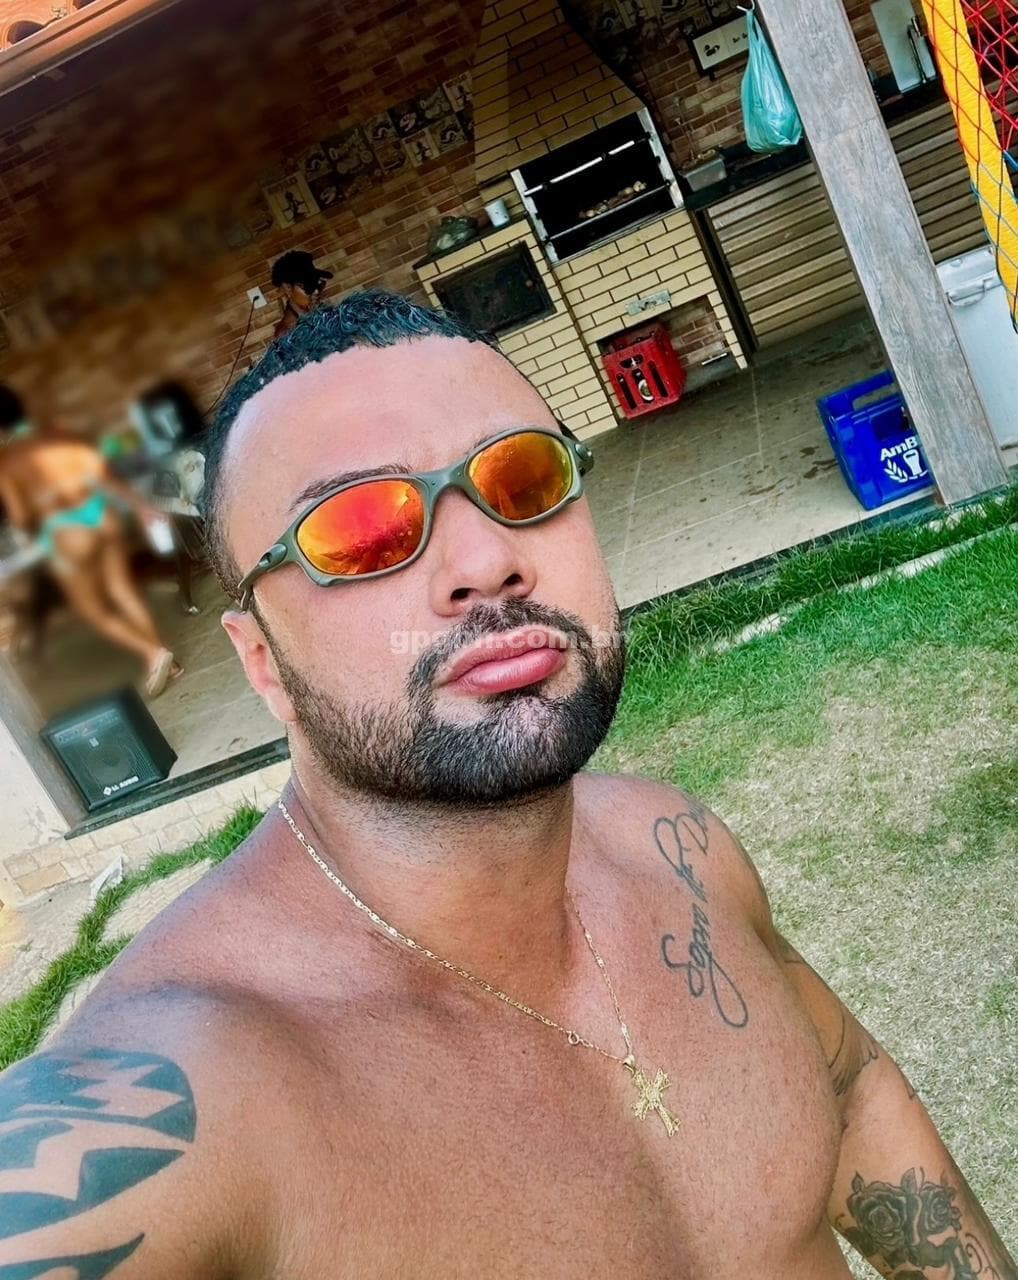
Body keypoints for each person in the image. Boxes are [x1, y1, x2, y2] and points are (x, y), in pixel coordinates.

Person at [0, 292, 1012, 1279]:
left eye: (523, 480)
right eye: (361, 527)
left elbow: (850, 1088)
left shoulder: (680, 849)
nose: (486, 561)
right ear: (262, 662)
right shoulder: (184, 1106)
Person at [0, 385, 181, 696]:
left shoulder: (6, 462)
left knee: (91, 610)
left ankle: (153, 653)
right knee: (124, 591)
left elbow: (20, 516)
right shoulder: (53, 432)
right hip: (101, 514)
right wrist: (140, 506)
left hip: (67, 531)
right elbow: (99, 474)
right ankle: (169, 662)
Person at [269, 248, 333, 341]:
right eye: (308, 286)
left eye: (317, 284)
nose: (316, 291)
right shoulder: (287, 334)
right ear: (288, 288)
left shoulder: (319, 313)